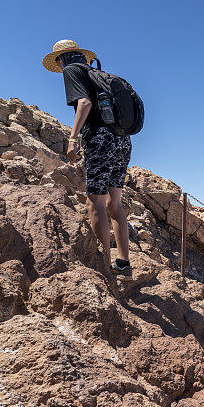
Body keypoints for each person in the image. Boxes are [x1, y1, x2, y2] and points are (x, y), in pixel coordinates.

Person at [42, 39, 133, 281]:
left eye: (58, 62)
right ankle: (123, 264)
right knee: (115, 202)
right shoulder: (97, 72)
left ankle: (102, 265)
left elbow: (84, 102)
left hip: (100, 140)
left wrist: (73, 138)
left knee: (95, 202)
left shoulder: (72, 70)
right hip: (122, 140)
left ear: (61, 59)